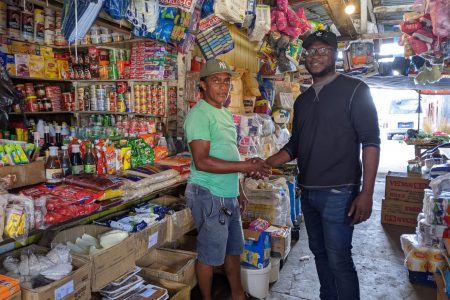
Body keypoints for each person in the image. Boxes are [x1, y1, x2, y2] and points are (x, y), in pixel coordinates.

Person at [266, 30, 380, 300]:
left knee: (339, 259)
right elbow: (295, 145)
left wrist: (367, 193)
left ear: (335, 55)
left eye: (322, 50)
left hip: (340, 192)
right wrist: (265, 163)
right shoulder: (302, 101)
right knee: (320, 254)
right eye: (310, 51)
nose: (315, 56)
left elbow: (371, 143)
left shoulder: (355, 90)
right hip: (309, 193)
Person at [183, 58, 270, 300]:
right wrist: (245, 165)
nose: (223, 87)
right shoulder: (199, 115)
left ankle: (237, 295)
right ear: (202, 85)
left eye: (226, 82)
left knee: (233, 252)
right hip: (209, 194)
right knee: (210, 256)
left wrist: (239, 189)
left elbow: (228, 151)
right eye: (216, 81)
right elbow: (202, 161)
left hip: (228, 193)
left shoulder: (223, 112)